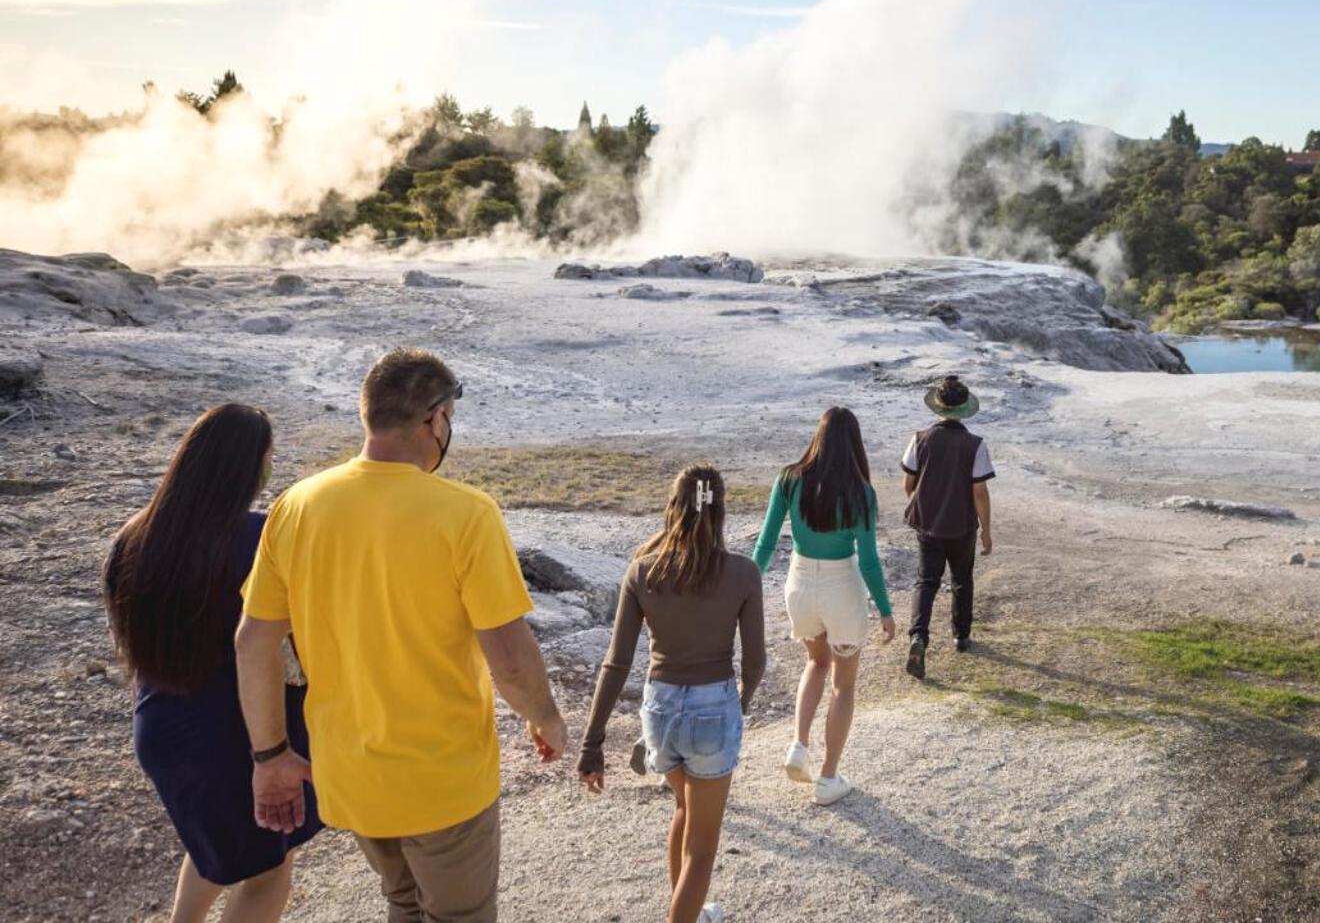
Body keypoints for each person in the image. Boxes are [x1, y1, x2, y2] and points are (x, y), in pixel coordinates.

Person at [236, 348, 566, 923]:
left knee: (404, 901)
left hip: (350, 776)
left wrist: (270, 755)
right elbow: (509, 655)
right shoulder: (467, 514)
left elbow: (253, 642)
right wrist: (545, 717)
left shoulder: (297, 506)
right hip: (442, 779)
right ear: (435, 419)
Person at [105, 403, 321, 923]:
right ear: (250, 467)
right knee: (269, 867)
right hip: (242, 734)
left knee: (211, 847)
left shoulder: (133, 534)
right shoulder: (262, 539)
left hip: (161, 728)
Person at [579, 466, 764, 923]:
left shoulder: (642, 571)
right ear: (719, 509)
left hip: (659, 711)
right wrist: (738, 705)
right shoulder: (742, 573)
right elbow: (755, 660)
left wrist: (592, 743)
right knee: (703, 850)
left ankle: (692, 911)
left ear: (673, 506)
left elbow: (617, 662)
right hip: (712, 710)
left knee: (683, 807)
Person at [752, 406, 895, 805]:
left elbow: (765, 543)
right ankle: (829, 777)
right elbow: (868, 560)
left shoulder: (789, 479)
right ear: (854, 444)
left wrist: (743, 586)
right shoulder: (861, 493)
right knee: (843, 685)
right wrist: (885, 610)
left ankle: (799, 745)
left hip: (799, 583)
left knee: (815, 663)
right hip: (841, 586)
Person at [900, 375, 995, 681]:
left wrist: (924, 503)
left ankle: (918, 636)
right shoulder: (975, 445)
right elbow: (979, 490)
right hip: (962, 524)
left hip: (928, 525)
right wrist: (986, 529)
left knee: (926, 581)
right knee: (962, 579)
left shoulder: (920, 439)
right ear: (966, 408)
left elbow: (909, 483)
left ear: (937, 407)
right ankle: (961, 636)